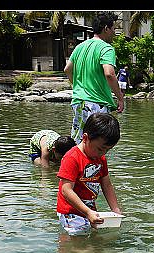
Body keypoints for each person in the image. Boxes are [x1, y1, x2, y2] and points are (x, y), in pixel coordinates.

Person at [56, 113, 122, 235]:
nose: (103, 153)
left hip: (89, 209)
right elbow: (66, 190)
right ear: (85, 138)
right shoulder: (72, 157)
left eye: (108, 150)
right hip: (70, 211)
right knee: (77, 241)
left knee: (95, 242)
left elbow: (107, 185)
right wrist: (87, 212)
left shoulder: (100, 158)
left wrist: (115, 209)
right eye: (100, 149)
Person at [64, 11, 124, 144]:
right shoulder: (106, 48)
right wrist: (120, 97)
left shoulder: (80, 47)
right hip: (97, 103)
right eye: (113, 28)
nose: (114, 32)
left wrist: (77, 86)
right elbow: (109, 73)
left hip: (79, 102)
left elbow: (67, 69)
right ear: (106, 29)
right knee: (98, 145)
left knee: (78, 143)